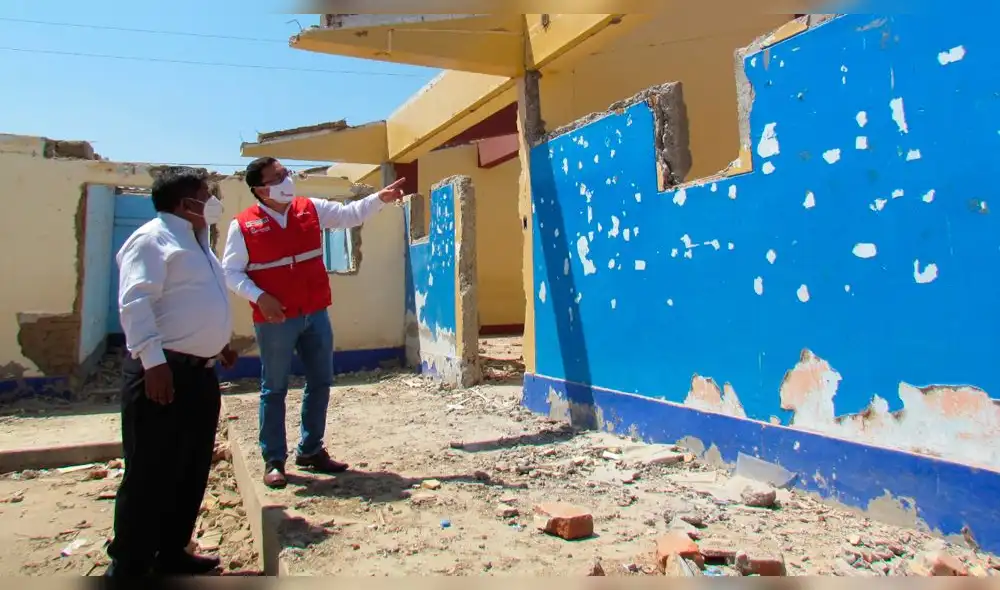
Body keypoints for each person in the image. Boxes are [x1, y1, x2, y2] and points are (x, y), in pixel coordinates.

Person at [221, 157, 405, 489]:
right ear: (261, 189)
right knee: (274, 388)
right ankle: (274, 460)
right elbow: (230, 272)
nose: (286, 178)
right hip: (275, 319)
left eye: (285, 172)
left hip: (315, 313)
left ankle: (310, 450)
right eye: (278, 176)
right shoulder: (243, 225)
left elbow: (349, 216)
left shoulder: (309, 208)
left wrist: (380, 199)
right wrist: (259, 295)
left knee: (320, 381)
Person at [108, 167, 239, 577]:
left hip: (200, 374)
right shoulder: (152, 239)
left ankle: (171, 551)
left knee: (190, 467)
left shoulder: (199, 242)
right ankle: (129, 564)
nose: (212, 200)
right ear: (187, 204)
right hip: (164, 374)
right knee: (150, 470)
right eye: (206, 193)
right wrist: (154, 363)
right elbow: (135, 303)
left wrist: (217, 343)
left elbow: (190, 300)